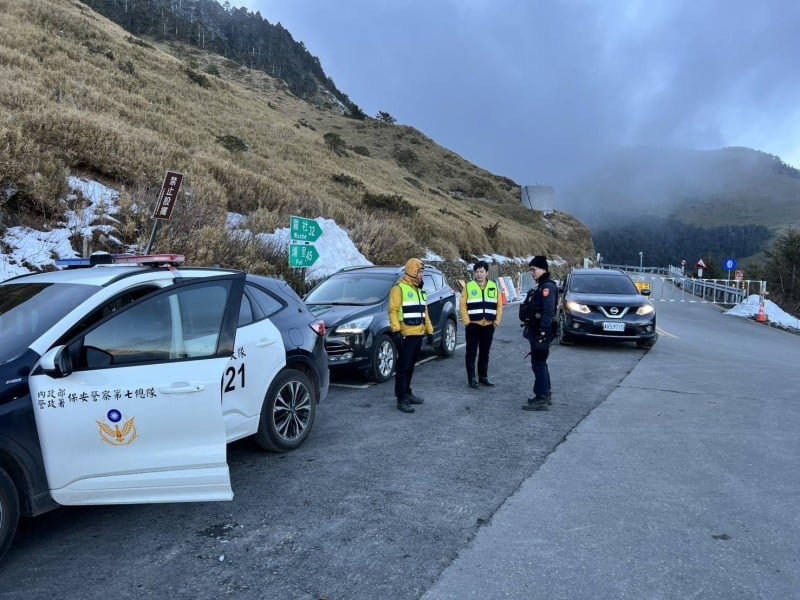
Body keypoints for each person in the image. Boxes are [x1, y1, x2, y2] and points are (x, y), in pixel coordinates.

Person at [389, 258, 434, 413]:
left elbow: (424, 312)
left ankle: (407, 392)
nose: (422, 275)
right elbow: (393, 310)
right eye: (420, 271)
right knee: (403, 368)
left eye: (422, 272)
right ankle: (401, 399)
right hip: (405, 335)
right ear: (412, 271)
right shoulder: (399, 289)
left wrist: (430, 332)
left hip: (418, 334)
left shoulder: (419, 290)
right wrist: (396, 331)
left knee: (410, 367)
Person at [519, 255, 558, 411]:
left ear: (543, 269)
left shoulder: (547, 288)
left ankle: (541, 397)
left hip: (541, 332)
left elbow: (548, 312)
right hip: (537, 331)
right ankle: (545, 394)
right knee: (541, 363)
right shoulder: (542, 286)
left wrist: (542, 333)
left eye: (534, 270)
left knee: (538, 364)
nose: (532, 273)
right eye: (530, 270)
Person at [460, 260, 503, 389]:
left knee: (485, 353)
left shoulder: (494, 286)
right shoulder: (469, 286)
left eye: (481, 271)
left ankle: (483, 377)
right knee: (471, 353)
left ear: (487, 273)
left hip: (488, 325)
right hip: (473, 325)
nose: (479, 274)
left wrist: (496, 321)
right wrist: (467, 322)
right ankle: (472, 379)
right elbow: (462, 305)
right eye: (476, 272)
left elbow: (499, 305)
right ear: (474, 273)